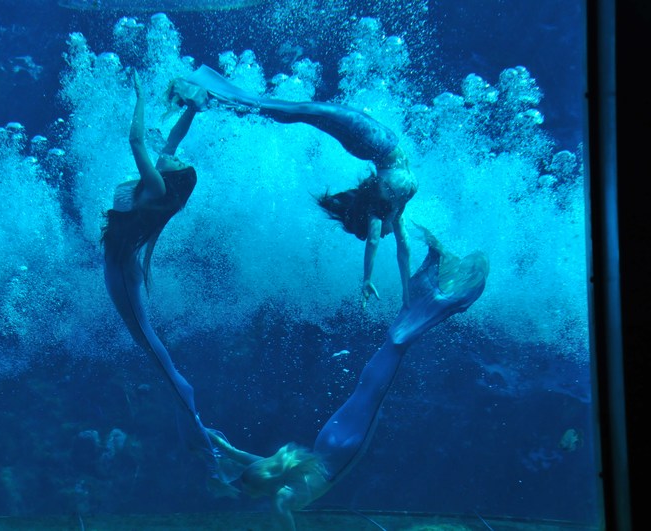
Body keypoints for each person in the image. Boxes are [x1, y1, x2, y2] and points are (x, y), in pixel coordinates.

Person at [205, 227, 489, 530]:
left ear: (266, 486)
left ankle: (441, 298)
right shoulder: (279, 473)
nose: (248, 495)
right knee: (369, 382)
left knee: (386, 368)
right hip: (327, 440)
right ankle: (429, 278)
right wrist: (214, 439)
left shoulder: (282, 497)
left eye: (251, 492)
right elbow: (244, 459)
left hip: (343, 449)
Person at [175, 65, 417, 309]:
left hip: (367, 138)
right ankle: (208, 91)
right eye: (382, 232)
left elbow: (400, 247)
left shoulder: (391, 206)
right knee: (293, 111)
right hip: (368, 139)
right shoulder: (385, 206)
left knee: (294, 111)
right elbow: (379, 241)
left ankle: (208, 92)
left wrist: (404, 297)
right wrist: (372, 281)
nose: (385, 234)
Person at [101, 69, 234, 494]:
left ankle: (204, 444)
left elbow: (136, 141)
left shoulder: (157, 188)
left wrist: (140, 96)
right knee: (152, 348)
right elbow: (173, 139)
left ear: (173, 177)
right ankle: (198, 428)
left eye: (176, 162)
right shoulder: (159, 181)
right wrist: (193, 108)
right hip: (122, 267)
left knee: (153, 349)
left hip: (122, 273)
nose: (173, 156)